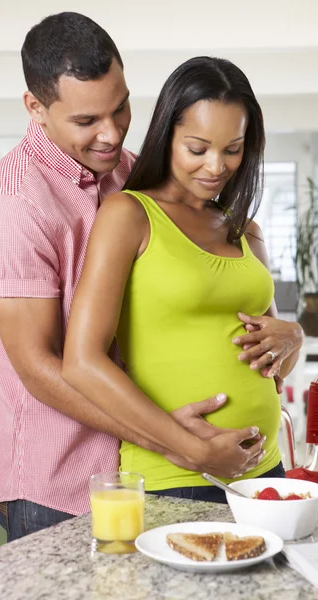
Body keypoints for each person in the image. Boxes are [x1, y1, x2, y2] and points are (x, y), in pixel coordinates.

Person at [0, 13, 299, 538]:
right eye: (86, 120)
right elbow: (39, 366)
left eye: (120, 107)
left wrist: (289, 333)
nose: (111, 132)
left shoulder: (130, 171)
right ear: (35, 108)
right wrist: (177, 442)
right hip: (57, 480)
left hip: (163, 464)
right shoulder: (14, 206)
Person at [62, 56, 303, 503]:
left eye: (233, 149)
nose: (216, 166)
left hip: (266, 472)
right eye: (198, 148)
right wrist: (194, 450)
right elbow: (81, 362)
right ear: (167, 135)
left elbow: (272, 365)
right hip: (178, 477)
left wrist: (293, 337)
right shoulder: (129, 216)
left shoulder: (245, 229)